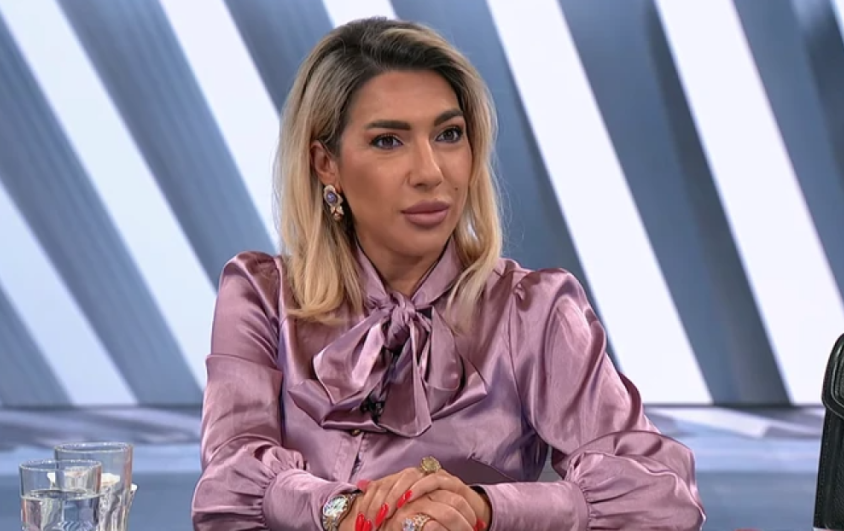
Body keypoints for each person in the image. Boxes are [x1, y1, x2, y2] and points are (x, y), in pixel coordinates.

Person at [191, 16, 705, 531]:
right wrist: (343, 510)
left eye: (449, 135)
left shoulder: (535, 311)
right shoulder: (262, 295)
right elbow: (227, 484)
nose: (430, 172)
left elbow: (663, 496)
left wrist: (484, 509)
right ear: (326, 163)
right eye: (388, 141)